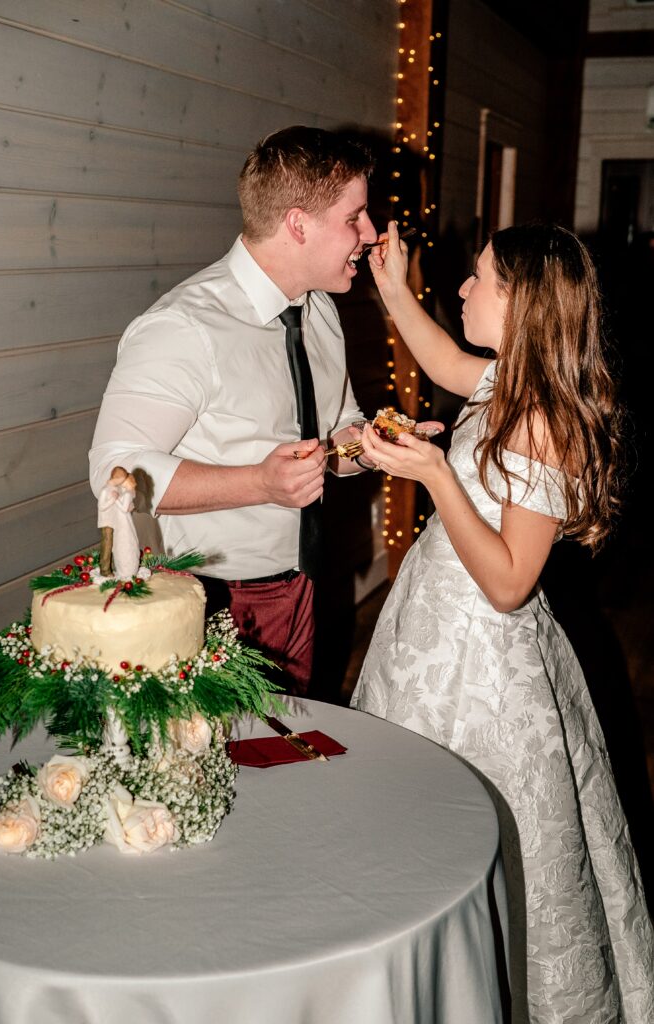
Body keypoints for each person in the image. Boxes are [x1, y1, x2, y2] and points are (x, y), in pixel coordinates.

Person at [351, 221, 654, 1023]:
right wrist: (391, 288)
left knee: (465, 831)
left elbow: (511, 585)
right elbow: (444, 361)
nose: (461, 291)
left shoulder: (544, 421)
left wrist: (430, 477)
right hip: (431, 625)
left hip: (481, 655)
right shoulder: (503, 387)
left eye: (477, 278)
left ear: (519, 302)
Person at [89, 126, 377, 695]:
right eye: (355, 217)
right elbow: (112, 470)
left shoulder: (319, 311)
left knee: (304, 749)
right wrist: (259, 483)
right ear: (298, 224)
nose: (369, 233)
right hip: (223, 600)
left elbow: (336, 433)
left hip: (317, 583)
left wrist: (368, 446)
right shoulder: (182, 327)